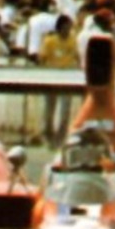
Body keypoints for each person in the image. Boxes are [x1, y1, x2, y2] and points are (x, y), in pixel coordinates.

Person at [38, 13, 79, 145]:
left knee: (65, 109)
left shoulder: (73, 40)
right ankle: (48, 134)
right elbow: (42, 58)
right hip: (51, 77)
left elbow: (76, 56)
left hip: (67, 77)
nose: (68, 30)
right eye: (66, 27)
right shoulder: (50, 41)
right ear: (60, 28)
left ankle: (61, 136)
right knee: (49, 108)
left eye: (70, 27)